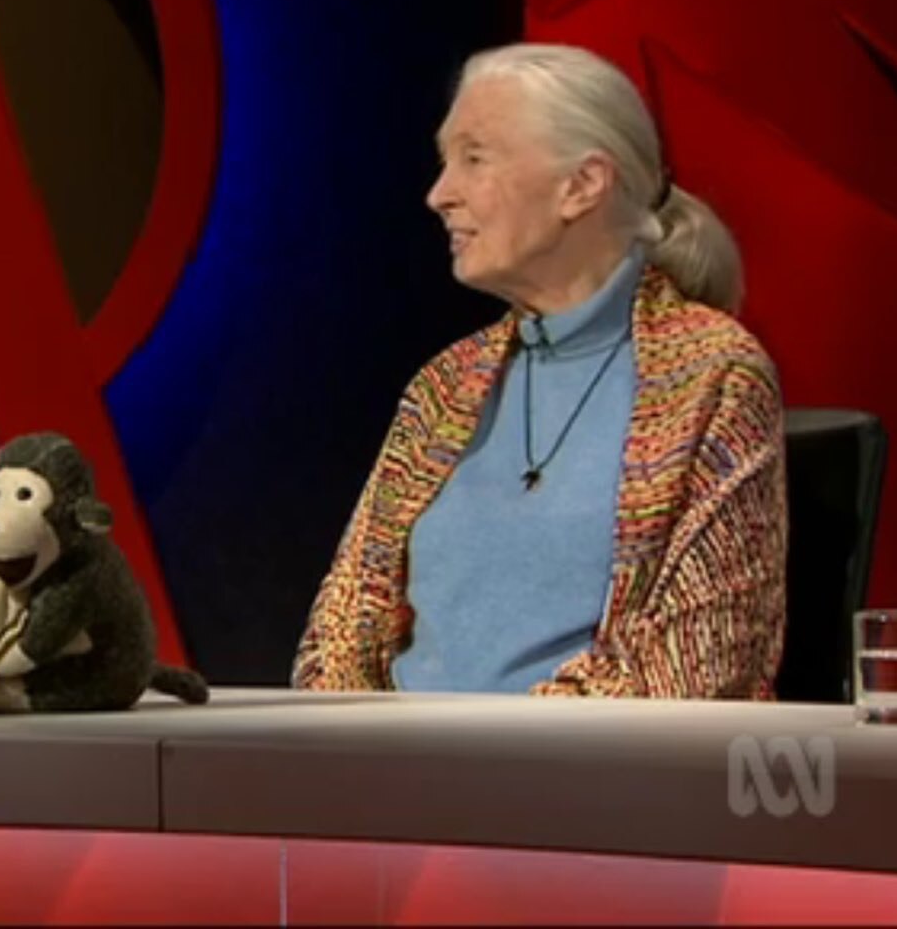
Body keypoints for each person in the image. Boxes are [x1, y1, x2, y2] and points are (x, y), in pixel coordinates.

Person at [293, 43, 786, 698]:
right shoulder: (444, 386)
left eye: (474, 159)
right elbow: (340, 628)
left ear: (582, 184)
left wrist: (488, 768)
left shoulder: (714, 377)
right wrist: (349, 759)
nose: (439, 194)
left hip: (589, 788)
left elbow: (691, 667)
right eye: (445, 162)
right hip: (401, 783)